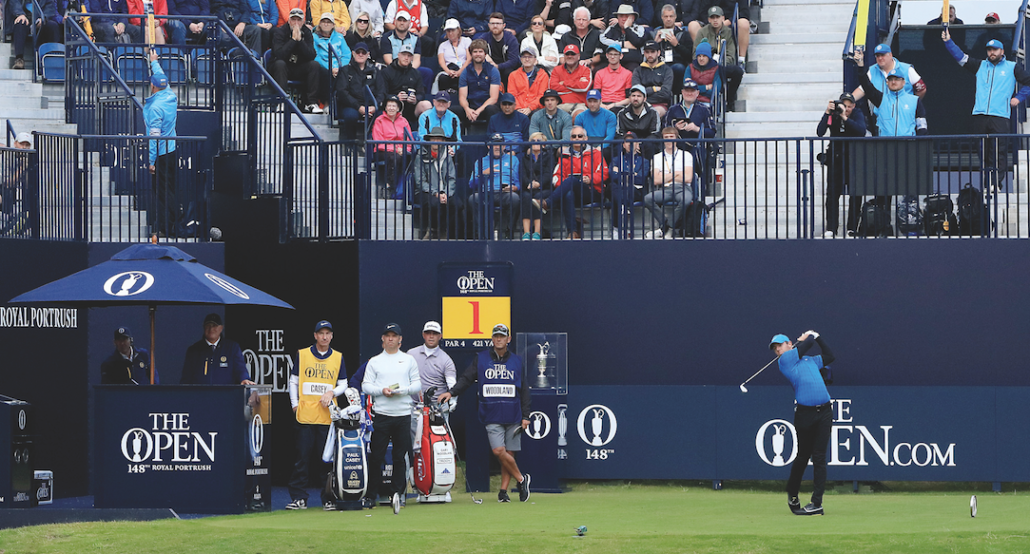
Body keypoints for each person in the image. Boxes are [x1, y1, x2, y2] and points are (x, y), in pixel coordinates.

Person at [438, 324, 530, 503]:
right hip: (491, 413)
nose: (499, 339)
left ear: (508, 339)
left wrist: (526, 416)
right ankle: (521, 479)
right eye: (496, 336)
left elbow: (524, 390)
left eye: (502, 336)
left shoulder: (517, 361)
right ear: (492, 338)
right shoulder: (481, 358)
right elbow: (466, 379)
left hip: (513, 414)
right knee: (498, 451)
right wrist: (452, 392)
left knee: (509, 454)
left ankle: (503, 492)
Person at [942, 32, 1030, 190]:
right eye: (989, 50)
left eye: (995, 49)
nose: (992, 52)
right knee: (982, 150)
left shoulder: (1012, 67)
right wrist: (949, 41)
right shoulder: (981, 65)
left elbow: (1028, 82)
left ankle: (996, 183)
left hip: (1000, 116)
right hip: (980, 115)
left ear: (1002, 51)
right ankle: (986, 182)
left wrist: (1019, 98)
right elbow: (960, 58)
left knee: (999, 151)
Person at [769, 330, 835, 516]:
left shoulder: (810, 361)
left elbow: (830, 356)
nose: (777, 351)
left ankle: (817, 503)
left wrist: (819, 336)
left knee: (820, 458)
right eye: (775, 349)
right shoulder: (784, 362)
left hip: (824, 412)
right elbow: (807, 344)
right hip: (805, 415)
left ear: (789, 344)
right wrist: (809, 337)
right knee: (803, 456)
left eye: (779, 346)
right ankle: (793, 494)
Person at [285, 320, 348, 511]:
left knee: (326, 461)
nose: (325, 337)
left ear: (332, 336)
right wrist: (295, 405)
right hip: (305, 415)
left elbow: (344, 384)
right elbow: (293, 381)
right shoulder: (303, 354)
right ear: (315, 335)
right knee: (302, 458)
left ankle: (328, 498)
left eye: (328, 333)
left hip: (327, 417)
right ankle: (299, 498)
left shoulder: (337, 357)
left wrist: (332, 393)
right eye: (321, 333)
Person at [361, 322, 421, 510]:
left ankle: (398, 494)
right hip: (382, 415)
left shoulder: (408, 360)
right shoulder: (375, 361)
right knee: (376, 456)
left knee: (399, 457)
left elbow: (417, 384)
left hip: (403, 414)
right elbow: (366, 385)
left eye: (394, 336)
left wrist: (403, 391)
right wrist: (381, 390)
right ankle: (371, 496)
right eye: (387, 335)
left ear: (400, 339)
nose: (390, 339)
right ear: (382, 339)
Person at [535, 125, 607, 238]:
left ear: (585, 138)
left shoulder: (595, 153)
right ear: (570, 139)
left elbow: (604, 173)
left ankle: (548, 203)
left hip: (591, 191)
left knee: (572, 180)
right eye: (574, 136)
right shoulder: (564, 156)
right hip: (572, 193)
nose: (577, 138)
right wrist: (565, 184)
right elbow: (556, 177)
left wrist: (589, 179)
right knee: (568, 192)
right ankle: (573, 232)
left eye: (580, 136)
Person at [816, 92, 866, 238]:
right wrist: (827, 113)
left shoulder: (857, 114)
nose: (847, 108)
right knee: (832, 194)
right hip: (836, 159)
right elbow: (820, 132)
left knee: (855, 194)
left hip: (854, 159)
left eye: (850, 106)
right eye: (844, 106)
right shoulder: (833, 113)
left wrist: (845, 117)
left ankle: (852, 228)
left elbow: (861, 131)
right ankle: (831, 228)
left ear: (854, 106)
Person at [144, 51, 179, 239]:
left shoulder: (156, 108)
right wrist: (154, 62)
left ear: (152, 86)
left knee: (163, 194)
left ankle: (167, 227)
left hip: (161, 155)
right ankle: (171, 224)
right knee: (170, 190)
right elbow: (161, 76)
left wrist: (151, 161)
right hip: (172, 150)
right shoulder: (169, 94)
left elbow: (153, 138)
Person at [469, 133, 521, 238]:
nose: (497, 147)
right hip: (486, 193)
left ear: (504, 146)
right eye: (494, 144)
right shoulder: (481, 161)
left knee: (515, 198)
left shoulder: (513, 159)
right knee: (473, 198)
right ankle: (481, 233)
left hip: (504, 193)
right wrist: (484, 174)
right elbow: (471, 184)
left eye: (500, 144)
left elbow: (518, 183)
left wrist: (514, 188)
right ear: (489, 146)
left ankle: (509, 232)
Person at [643, 126, 692, 238]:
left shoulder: (686, 155)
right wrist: (676, 174)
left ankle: (669, 227)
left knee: (686, 199)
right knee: (648, 199)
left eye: (671, 137)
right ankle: (665, 225)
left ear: (676, 138)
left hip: (682, 188)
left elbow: (688, 178)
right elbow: (656, 180)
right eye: (666, 137)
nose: (669, 140)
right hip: (666, 189)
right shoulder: (657, 157)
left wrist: (664, 176)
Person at [413, 127, 462, 238]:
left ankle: (444, 230)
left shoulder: (447, 156)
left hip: (444, 191)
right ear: (429, 140)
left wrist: (445, 193)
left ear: (443, 141)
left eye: (439, 139)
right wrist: (435, 193)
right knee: (434, 203)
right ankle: (431, 230)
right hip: (425, 192)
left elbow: (452, 178)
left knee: (458, 204)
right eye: (433, 138)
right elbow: (420, 181)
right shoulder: (420, 155)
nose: (436, 141)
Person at [180, 313, 254, 385]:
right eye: (208, 325)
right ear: (204, 327)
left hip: (225, 395)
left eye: (214, 325)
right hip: (200, 395)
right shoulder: (194, 350)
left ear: (221, 328)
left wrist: (244, 379)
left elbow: (240, 369)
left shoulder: (232, 347)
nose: (211, 329)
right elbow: (186, 377)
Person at [272, 8, 321, 113]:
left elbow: (311, 55)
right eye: (293, 20)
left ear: (303, 22)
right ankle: (281, 101)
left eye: (299, 20)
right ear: (289, 20)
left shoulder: (307, 32)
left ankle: (311, 103)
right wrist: (293, 40)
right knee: (279, 64)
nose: (296, 23)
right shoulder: (280, 31)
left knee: (314, 65)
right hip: (284, 68)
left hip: (300, 67)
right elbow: (279, 54)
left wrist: (300, 41)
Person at [692, 6, 742, 109]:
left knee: (737, 71)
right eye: (712, 17)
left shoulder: (728, 32)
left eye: (717, 17)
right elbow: (695, 53)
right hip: (706, 66)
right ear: (709, 19)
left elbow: (730, 54)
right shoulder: (702, 32)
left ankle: (729, 100)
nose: (715, 20)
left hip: (722, 65)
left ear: (723, 18)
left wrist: (721, 62)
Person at [336, 41, 386, 139]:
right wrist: (359, 107)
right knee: (350, 116)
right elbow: (342, 92)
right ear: (353, 53)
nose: (360, 55)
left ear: (368, 55)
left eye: (363, 53)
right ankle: (350, 144)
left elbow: (382, 91)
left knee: (381, 116)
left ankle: (372, 145)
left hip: (371, 105)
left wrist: (374, 107)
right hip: (352, 106)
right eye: (358, 52)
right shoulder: (345, 70)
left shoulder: (375, 71)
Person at [851, 44, 926, 105]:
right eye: (877, 56)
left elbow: (921, 89)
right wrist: (849, 100)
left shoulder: (906, 69)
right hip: (882, 115)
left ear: (890, 55)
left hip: (904, 112)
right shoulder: (872, 70)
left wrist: (912, 105)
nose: (880, 58)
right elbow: (862, 89)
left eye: (883, 55)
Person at [380, 11, 433, 92]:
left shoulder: (415, 38)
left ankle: (422, 97)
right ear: (395, 22)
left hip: (410, 68)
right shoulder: (386, 37)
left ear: (409, 23)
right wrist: (398, 70)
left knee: (428, 73)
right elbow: (387, 59)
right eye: (399, 20)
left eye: (404, 21)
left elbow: (417, 59)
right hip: (393, 68)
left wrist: (408, 71)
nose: (401, 23)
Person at [371, 96, 413, 198]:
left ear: (398, 108)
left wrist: (404, 150)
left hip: (400, 151)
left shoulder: (404, 121)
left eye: (394, 106)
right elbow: (379, 142)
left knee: (412, 157)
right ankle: (390, 186)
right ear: (385, 108)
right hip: (382, 151)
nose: (391, 108)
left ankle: (408, 190)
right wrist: (395, 149)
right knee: (395, 157)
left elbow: (409, 140)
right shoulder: (379, 120)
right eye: (389, 105)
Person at [609, 130, 648, 239]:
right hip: (619, 188)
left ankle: (617, 228)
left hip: (635, 190)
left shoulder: (643, 161)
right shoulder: (616, 159)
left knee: (626, 189)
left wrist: (621, 173)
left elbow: (641, 178)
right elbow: (612, 175)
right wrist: (631, 174)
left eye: (633, 141)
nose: (630, 144)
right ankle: (623, 207)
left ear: (637, 144)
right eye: (627, 141)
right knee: (612, 187)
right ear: (623, 144)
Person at [457, 39, 502, 131]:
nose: (478, 54)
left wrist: (478, 111)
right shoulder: (465, 71)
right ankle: (459, 141)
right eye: (475, 52)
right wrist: (467, 109)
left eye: (480, 51)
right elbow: (462, 97)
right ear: (471, 54)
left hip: (487, 106)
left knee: (492, 109)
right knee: (453, 110)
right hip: (471, 106)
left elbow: (494, 98)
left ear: (485, 54)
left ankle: (492, 139)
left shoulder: (493, 70)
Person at [687, 0, 751, 64]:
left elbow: (745, 12)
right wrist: (712, 22)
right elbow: (703, 12)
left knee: (744, 23)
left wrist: (727, 22)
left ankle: (741, 61)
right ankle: (703, 58)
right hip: (710, 22)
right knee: (693, 25)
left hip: (731, 22)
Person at [382, 43, 431, 124]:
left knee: (426, 104)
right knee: (393, 105)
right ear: (399, 55)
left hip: (411, 107)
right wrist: (395, 98)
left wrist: (416, 99)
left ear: (412, 58)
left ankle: (427, 132)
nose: (406, 58)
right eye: (404, 55)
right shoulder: (387, 72)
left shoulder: (416, 73)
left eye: (409, 56)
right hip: (393, 105)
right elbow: (382, 93)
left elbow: (421, 93)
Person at [313, 12, 352, 110]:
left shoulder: (339, 37)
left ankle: (341, 106)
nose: (326, 24)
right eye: (324, 22)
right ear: (319, 24)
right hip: (323, 66)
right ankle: (326, 103)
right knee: (324, 73)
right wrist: (330, 68)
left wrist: (339, 68)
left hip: (339, 66)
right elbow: (315, 55)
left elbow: (346, 54)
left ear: (333, 25)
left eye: (329, 22)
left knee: (347, 74)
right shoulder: (314, 37)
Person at [519, 132, 554, 240]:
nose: (535, 143)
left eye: (538, 141)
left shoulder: (549, 156)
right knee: (525, 197)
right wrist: (529, 183)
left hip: (544, 188)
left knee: (537, 197)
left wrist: (538, 183)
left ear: (544, 144)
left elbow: (549, 173)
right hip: (528, 187)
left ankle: (537, 232)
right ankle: (526, 232)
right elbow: (522, 174)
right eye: (533, 141)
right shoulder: (525, 157)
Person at [664, 77, 714, 147]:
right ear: (682, 92)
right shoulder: (673, 109)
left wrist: (697, 129)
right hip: (678, 149)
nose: (689, 94)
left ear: (697, 93)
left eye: (692, 91)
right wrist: (675, 128)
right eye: (687, 91)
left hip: (697, 149)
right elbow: (665, 130)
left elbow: (712, 132)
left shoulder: (705, 109)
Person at [475, 12, 521, 84]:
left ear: (504, 25)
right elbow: (473, 47)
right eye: (492, 23)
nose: (495, 26)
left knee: (509, 73)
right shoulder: (485, 37)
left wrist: (497, 66)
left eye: (498, 23)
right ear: (489, 25)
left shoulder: (511, 39)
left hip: (506, 68)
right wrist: (486, 56)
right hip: (490, 67)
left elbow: (513, 61)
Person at [616, 84, 661, 157]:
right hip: (628, 143)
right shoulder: (622, 113)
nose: (636, 98)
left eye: (639, 96)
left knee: (651, 145)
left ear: (645, 98)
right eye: (633, 96)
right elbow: (620, 134)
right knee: (618, 147)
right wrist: (630, 144)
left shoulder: (653, 112)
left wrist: (639, 144)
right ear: (630, 98)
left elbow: (655, 134)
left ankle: (649, 168)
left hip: (646, 144)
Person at [550, 44, 593, 117]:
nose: (570, 56)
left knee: (579, 116)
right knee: (551, 116)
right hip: (559, 105)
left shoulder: (585, 70)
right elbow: (552, 88)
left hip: (578, 105)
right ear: (564, 56)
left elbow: (584, 87)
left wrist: (564, 83)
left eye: (573, 54)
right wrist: (577, 84)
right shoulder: (556, 69)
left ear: (578, 56)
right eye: (567, 54)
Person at [632, 40, 673, 117]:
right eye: (647, 52)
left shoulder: (667, 70)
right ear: (644, 53)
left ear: (658, 53)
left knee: (654, 113)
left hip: (660, 105)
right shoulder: (638, 70)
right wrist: (654, 89)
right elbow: (636, 92)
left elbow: (666, 94)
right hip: (641, 104)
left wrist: (645, 93)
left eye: (652, 52)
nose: (650, 54)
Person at [654, 3, 692, 86]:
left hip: (676, 64)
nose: (668, 19)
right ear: (662, 17)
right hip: (659, 64)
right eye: (666, 16)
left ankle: (677, 96)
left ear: (675, 17)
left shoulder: (684, 34)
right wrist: (655, 43)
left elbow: (690, 56)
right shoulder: (654, 33)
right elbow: (647, 55)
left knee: (679, 68)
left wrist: (677, 45)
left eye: (671, 16)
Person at [601, 4, 649, 70]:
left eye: (627, 16)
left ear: (633, 18)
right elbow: (602, 41)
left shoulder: (639, 29)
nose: (623, 19)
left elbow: (638, 42)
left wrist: (627, 28)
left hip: (633, 61)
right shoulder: (612, 28)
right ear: (617, 18)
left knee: (634, 68)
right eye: (621, 16)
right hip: (612, 61)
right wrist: (623, 44)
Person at [508, 46, 550, 116]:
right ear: (521, 59)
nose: (527, 59)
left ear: (535, 60)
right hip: (518, 108)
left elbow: (541, 95)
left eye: (530, 57)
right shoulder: (513, 75)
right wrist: (518, 108)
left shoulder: (543, 75)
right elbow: (512, 94)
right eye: (524, 57)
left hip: (536, 109)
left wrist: (530, 108)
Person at [436, 18, 473, 95]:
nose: (450, 33)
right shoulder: (443, 45)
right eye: (448, 31)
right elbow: (441, 61)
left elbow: (469, 58)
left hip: (464, 69)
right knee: (443, 78)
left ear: (458, 30)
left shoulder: (467, 41)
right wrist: (448, 71)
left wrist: (460, 71)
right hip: (449, 70)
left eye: (453, 30)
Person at [595, 44, 633, 113]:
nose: (612, 57)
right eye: (610, 54)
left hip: (619, 104)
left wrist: (613, 105)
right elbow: (596, 94)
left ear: (621, 56)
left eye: (615, 54)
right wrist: (601, 104)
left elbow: (629, 98)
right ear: (607, 55)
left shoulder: (628, 74)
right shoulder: (599, 73)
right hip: (602, 104)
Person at [686, 39, 719, 105]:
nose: (701, 58)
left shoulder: (716, 69)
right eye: (699, 56)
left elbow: (715, 91)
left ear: (709, 57)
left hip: (707, 102)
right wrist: (706, 87)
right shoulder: (690, 67)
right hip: (691, 102)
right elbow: (686, 89)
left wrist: (694, 89)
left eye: (704, 56)